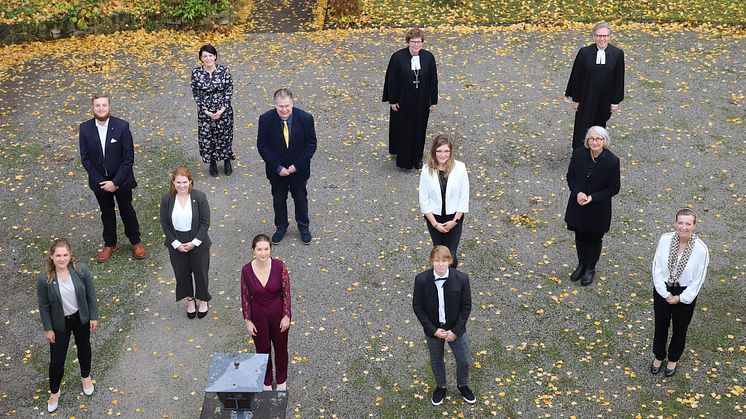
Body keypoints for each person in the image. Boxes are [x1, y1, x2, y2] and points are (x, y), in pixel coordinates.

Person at [79, 93, 146, 262]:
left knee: (127, 211)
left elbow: (128, 158)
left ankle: (135, 242)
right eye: (97, 105)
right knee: (106, 212)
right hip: (100, 182)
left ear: (109, 106)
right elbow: (85, 159)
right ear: (92, 107)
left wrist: (115, 182)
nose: (101, 108)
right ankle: (110, 243)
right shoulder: (85, 128)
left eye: (104, 105)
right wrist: (102, 181)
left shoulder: (122, 126)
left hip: (121, 181)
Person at [36, 238, 99, 413]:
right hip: (59, 323)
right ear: (51, 256)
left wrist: (93, 316)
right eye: (58, 255)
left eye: (65, 255)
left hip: (80, 318)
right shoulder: (45, 279)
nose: (62, 259)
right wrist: (48, 328)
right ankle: (54, 392)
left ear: (70, 255)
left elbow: (91, 295)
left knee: (84, 348)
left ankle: (85, 377)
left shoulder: (81, 270)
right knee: (57, 360)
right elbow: (44, 306)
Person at [412, 245, 475, 406]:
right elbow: (417, 306)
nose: (440, 264)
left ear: (450, 262)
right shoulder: (421, 279)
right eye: (437, 261)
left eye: (444, 261)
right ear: (431, 262)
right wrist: (433, 330)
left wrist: (455, 330)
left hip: (455, 328)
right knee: (436, 360)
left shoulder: (461, 279)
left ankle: (462, 385)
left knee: (464, 360)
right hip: (433, 329)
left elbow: (466, 307)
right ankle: (441, 386)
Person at [650, 208, 709, 377]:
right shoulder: (665, 240)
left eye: (688, 224)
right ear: (675, 223)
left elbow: (698, 279)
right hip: (663, 289)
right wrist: (665, 293)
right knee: (660, 324)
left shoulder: (701, 249)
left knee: (680, 327)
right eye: (680, 223)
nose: (684, 227)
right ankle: (659, 356)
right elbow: (657, 268)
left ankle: (673, 358)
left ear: (694, 226)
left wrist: (681, 298)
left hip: (684, 292)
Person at [257, 88, 318, 244]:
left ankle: (304, 227)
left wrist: (297, 166)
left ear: (292, 103)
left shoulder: (306, 119)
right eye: (280, 107)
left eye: (287, 106)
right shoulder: (265, 119)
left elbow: (311, 144)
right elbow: (262, 146)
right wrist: (278, 167)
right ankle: (281, 226)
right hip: (277, 172)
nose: (284, 110)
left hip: (298, 171)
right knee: (278, 199)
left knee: (300, 198)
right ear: (275, 105)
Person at [564, 126, 620, 286]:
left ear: (604, 141)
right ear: (587, 140)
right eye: (592, 139)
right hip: (579, 204)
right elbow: (571, 177)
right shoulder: (579, 154)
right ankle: (581, 264)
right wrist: (578, 193)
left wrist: (593, 197)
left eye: (598, 139)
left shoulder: (612, 161)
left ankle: (590, 268)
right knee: (580, 235)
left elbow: (614, 187)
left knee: (595, 238)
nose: (595, 142)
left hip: (598, 208)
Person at [159, 166, 212, 319]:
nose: (181, 186)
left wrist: (195, 242)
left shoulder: (200, 197)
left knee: (201, 273)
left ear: (190, 182)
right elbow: (165, 223)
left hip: (198, 243)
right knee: (182, 273)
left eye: (185, 182)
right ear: (173, 182)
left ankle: (203, 300)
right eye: (178, 182)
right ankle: (190, 300)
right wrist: (175, 243)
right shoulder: (167, 199)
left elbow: (205, 222)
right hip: (177, 243)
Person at [382, 27, 438, 170]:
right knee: (404, 129)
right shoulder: (398, 57)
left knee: (420, 129)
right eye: (413, 42)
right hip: (403, 100)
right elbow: (391, 79)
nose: (416, 45)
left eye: (419, 42)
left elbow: (433, 80)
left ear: (422, 43)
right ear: (408, 42)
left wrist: (433, 100)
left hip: (421, 101)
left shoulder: (428, 57)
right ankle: (404, 161)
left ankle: (417, 159)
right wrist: (392, 100)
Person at [241, 234, 292, 391]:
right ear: (253, 250)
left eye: (266, 249)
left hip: (277, 314)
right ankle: (267, 380)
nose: (263, 253)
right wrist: (248, 320)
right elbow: (245, 296)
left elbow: (286, 293)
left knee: (281, 347)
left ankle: (281, 379)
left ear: (270, 249)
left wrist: (286, 315)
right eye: (259, 249)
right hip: (258, 316)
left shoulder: (279, 266)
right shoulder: (246, 270)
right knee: (262, 349)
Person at [565, 22, 625, 149]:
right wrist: (576, 99)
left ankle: (596, 151)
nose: (602, 39)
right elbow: (577, 76)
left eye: (605, 36)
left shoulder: (617, 54)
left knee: (599, 127)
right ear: (594, 37)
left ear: (609, 37)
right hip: (586, 97)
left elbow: (619, 79)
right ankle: (579, 154)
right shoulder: (584, 53)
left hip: (605, 98)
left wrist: (615, 101)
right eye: (599, 36)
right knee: (582, 127)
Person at [419, 135, 469, 268]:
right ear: (434, 152)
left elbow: (464, 197)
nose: (443, 155)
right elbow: (424, 199)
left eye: (446, 151)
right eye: (439, 151)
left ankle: (451, 283)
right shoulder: (426, 169)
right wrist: (435, 224)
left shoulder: (460, 168)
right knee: (439, 253)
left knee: (450, 255)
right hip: (434, 219)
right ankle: (439, 281)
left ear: (451, 152)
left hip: (454, 218)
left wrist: (454, 222)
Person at [191, 44, 235, 176]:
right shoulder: (196, 73)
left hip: (224, 111)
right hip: (205, 113)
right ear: (201, 58)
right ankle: (212, 161)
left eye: (210, 55)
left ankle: (227, 160)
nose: (208, 58)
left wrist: (222, 109)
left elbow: (229, 90)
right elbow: (196, 93)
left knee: (225, 136)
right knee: (208, 138)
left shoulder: (224, 71)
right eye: (205, 56)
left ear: (215, 56)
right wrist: (205, 111)